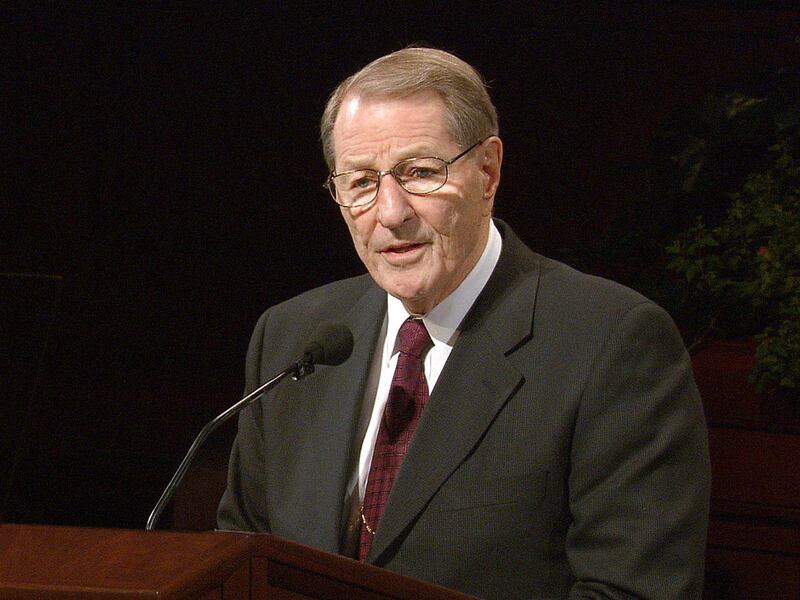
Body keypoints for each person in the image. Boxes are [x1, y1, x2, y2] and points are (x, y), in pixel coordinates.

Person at [217, 47, 710, 599]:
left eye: (420, 173)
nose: (390, 213)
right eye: (361, 182)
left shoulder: (612, 343)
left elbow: (632, 591)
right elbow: (239, 563)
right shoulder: (291, 336)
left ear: (488, 171)